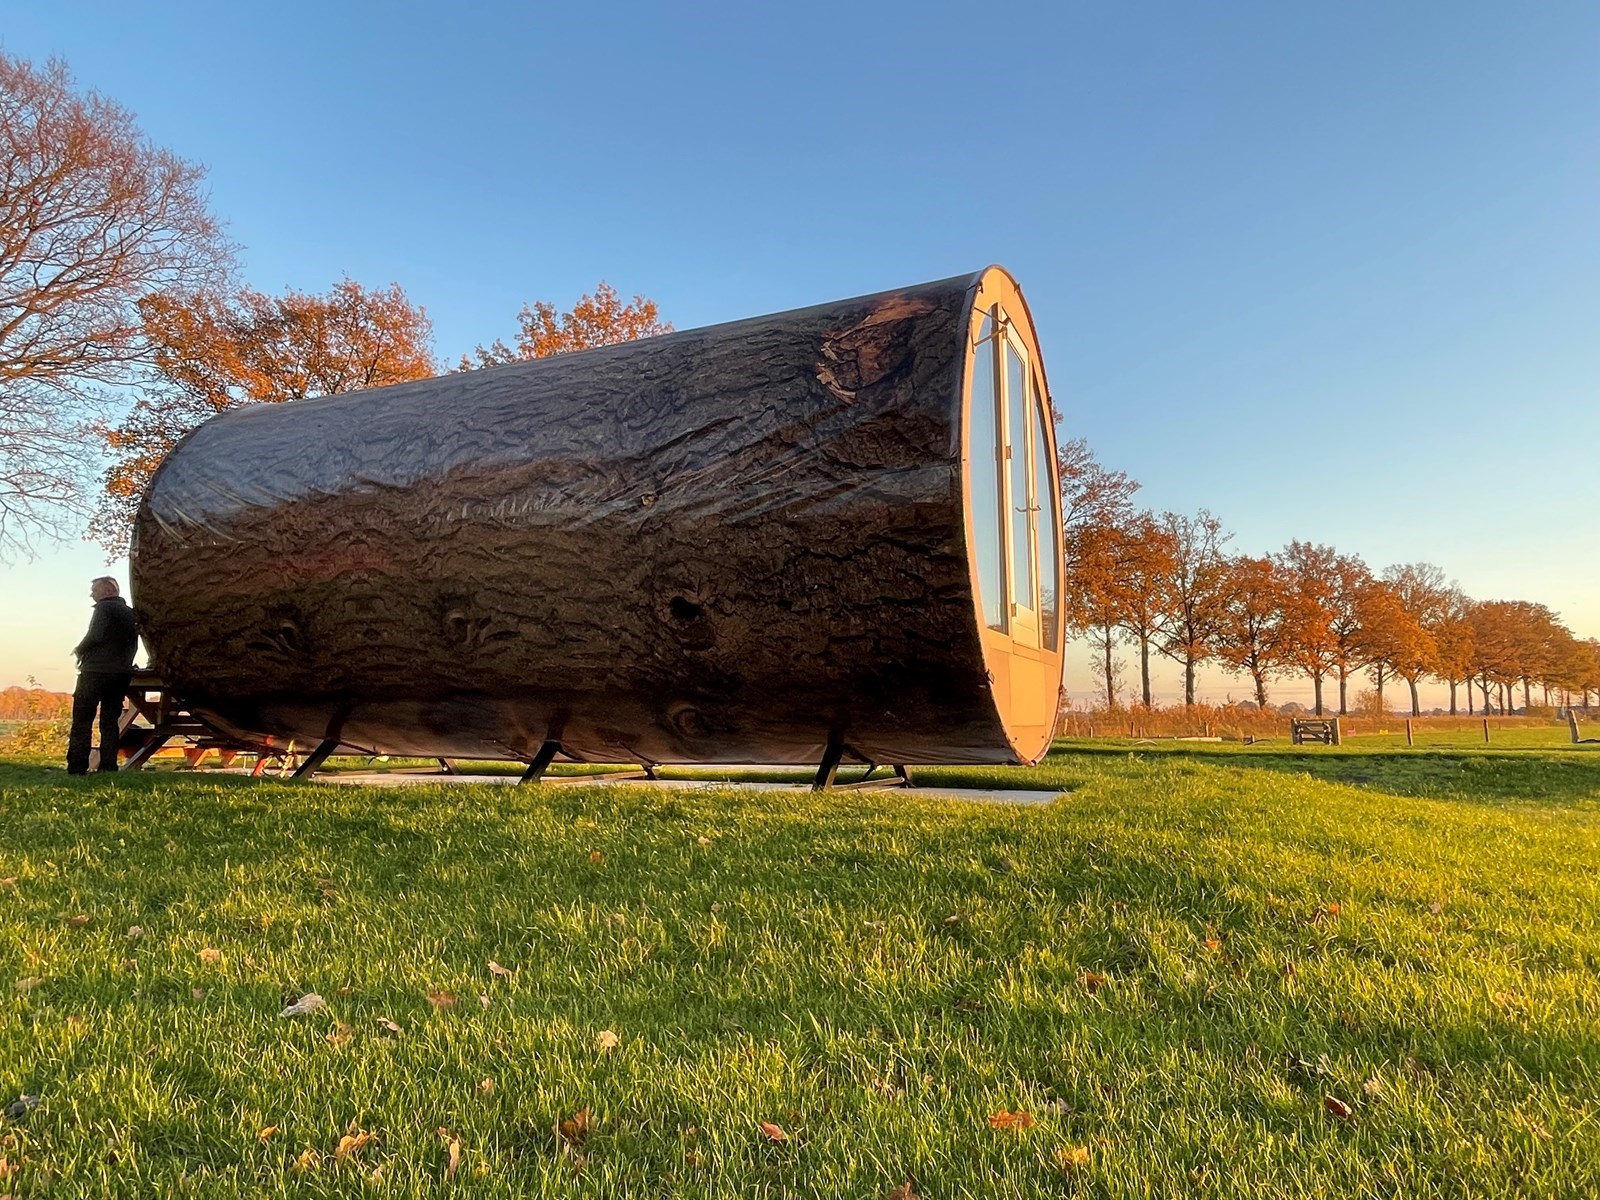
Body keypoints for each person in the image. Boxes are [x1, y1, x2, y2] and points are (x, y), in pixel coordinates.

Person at [66, 577, 139, 775]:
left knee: (82, 720)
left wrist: (80, 650)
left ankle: (77, 767)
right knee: (110, 723)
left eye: (95, 590)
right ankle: (108, 766)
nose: (92, 595)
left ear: (108, 591)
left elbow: (95, 635)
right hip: (120, 674)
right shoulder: (131, 613)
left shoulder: (104, 608)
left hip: (95, 672)